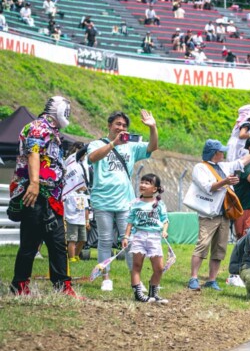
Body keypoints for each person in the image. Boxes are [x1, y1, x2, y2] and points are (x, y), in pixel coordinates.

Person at [8, 97, 81, 297]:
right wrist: (34, 183)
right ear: (58, 110)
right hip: (35, 193)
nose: (68, 114)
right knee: (30, 243)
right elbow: (33, 153)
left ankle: (62, 286)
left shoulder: (53, 132)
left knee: (58, 243)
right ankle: (19, 285)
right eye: (67, 110)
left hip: (52, 196)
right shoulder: (38, 127)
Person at [87, 109, 159, 292]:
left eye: (124, 125)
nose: (121, 127)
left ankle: (136, 280)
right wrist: (113, 144)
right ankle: (106, 278)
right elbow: (92, 158)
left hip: (125, 202)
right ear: (109, 125)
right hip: (102, 200)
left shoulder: (131, 147)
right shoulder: (96, 144)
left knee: (129, 241)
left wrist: (153, 127)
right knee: (104, 240)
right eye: (118, 124)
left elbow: (152, 146)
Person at [186, 136, 250, 291]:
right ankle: (193, 278)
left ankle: (212, 280)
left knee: (220, 248)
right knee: (202, 244)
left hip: (224, 214)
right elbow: (208, 187)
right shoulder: (200, 168)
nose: (223, 154)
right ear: (214, 153)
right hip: (209, 214)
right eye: (221, 152)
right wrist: (226, 182)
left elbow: (242, 161)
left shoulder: (223, 166)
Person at [121, 174, 170, 304]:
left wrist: (164, 231)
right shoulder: (135, 203)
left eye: (147, 183)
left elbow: (165, 220)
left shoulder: (159, 204)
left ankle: (153, 293)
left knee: (159, 268)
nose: (142, 185)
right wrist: (126, 237)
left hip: (154, 238)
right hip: (139, 237)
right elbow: (130, 222)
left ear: (155, 189)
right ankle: (138, 294)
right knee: (137, 266)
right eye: (142, 182)